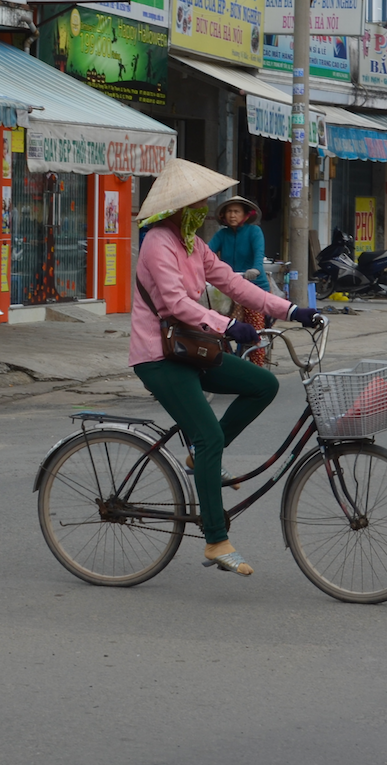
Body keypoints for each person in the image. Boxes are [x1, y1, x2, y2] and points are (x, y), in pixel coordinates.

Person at [132, 159, 321, 576]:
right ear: (180, 206)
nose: (206, 207)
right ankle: (216, 540)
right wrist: (229, 326)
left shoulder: (193, 244)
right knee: (209, 434)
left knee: (262, 385)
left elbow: (236, 284)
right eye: (198, 202)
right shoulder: (157, 243)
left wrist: (293, 310)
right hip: (159, 356)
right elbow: (174, 305)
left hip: (192, 348)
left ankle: (202, 459)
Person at [208, 195, 272, 367]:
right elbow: (205, 253)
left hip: (255, 288)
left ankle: (258, 368)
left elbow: (259, 255)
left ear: (245, 214)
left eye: (236, 211)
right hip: (228, 290)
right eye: (229, 211)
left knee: (255, 332)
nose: (232, 215)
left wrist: (255, 270)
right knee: (217, 328)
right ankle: (226, 364)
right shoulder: (222, 235)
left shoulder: (254, 232)